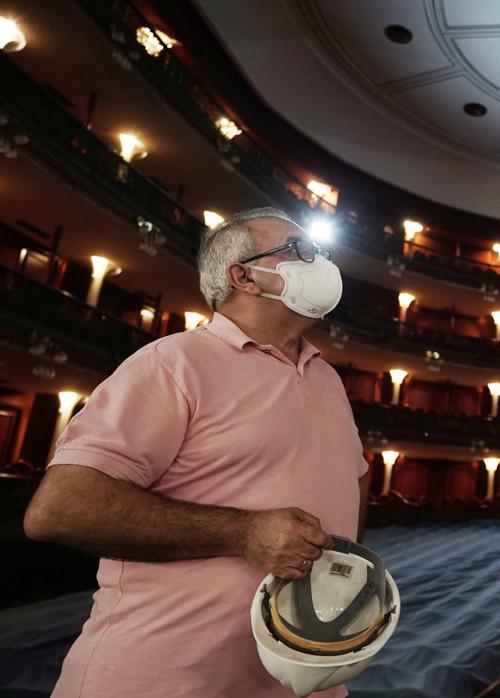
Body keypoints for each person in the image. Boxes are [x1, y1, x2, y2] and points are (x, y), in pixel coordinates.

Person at [23, 207, 372, 697]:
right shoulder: (172, 363)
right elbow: (60, 508)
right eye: (301, 251)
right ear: (243, 276)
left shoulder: (327, 378)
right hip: (169, 676)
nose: (322, 263)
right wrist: (244, 531)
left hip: (306, 672)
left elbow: (352, 478)